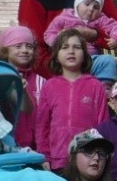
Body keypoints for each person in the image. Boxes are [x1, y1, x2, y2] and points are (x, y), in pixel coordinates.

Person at [35, 28, 109, 170]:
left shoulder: (95, 85)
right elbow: (42, 125)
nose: (71, 51)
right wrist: (44, 155)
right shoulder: (49, 86)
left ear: (85, 55)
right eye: (65, 47)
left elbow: (103, 125)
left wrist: (99, 154)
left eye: (77, 47)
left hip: (87, 160)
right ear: (56, 55)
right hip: (57, 159)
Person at [43, 0, 117, 58]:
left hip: (91, 57)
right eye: (87, 4)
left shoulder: (100, 19)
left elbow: (115, 26)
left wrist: (116, 38)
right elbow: (49, 33)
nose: (91, 9)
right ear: (78, 4)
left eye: (96, 7)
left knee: (108, 61)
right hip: (68, 57)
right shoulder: (65, 17)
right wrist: (56, 42)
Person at [0, 25, 42, 149]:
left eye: (29, 46)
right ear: (5, 50)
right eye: (18, 46)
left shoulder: (42, 81)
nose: (25, 50)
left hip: (35, 148)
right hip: (5, 146)